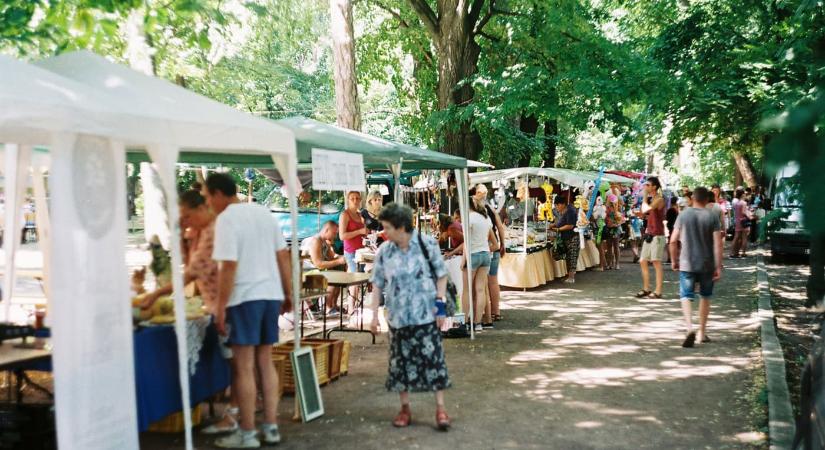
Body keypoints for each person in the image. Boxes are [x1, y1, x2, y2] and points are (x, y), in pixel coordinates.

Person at [140, 190, 239, 434]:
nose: (185, 222)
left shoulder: (213, 233)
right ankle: (238, 411)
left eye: (186, 216)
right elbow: (190, 266)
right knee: (237, 363)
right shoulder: (208, 231)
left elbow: (189, 275)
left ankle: (235, 415)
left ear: (199, 208)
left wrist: (154, 295)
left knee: (238, 365)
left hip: (227, 305)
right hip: (225, 303)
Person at [205, 173, 293, 448]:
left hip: (244, 297)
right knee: (264, 362)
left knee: (243, 367)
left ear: (219, 194)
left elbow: (227, 266)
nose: (208, 203)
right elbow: (283, 255)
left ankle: (247, 432)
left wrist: (219, 307)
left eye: (208, 197)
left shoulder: (227, 219)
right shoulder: (264, 213)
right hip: (269, 295)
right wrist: (288, 292)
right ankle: (271, 426)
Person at [368, 203, 451, 430]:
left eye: (387, 227)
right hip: (398, 318)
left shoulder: (426, 244)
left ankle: (440, 409)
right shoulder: (385, 251)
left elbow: (441, 276)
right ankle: (405, 409)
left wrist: (440, 306)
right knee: (400, 365)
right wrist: (373, 315)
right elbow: (377, 284)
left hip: (426, 316)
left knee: (433, 362)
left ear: (401, 226)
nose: (384, 232)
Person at [668, 187, 723, 348]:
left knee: (686, 296)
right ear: (707, 199)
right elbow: (718, 243)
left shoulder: (683, 215)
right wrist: (718, 265)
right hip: (707, 263)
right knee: (705, 296)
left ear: (692, 198)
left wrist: (673, 260)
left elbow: (673, 240)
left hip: (687, 263)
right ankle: (702, 333)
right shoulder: (712, 216)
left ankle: (689, 328)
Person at [459, 197, 495, 332]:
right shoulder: (485, 218)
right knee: (480, 290)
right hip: (485, 254)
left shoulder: (469, 218)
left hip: (472, 254)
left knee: (467, 290)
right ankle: (478, 323)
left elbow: (467, 242)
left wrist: (464, 260)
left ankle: (465, 321)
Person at [473, 184, 507, 326]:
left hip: (482, 248)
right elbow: (499, 226)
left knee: (482, 285)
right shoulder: (491, 209)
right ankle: (496, 312)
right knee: (493, 281)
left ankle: (483, 316)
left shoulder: (474, 209)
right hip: (494, 247)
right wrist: (503, 244)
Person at [302, 220, 347, 316]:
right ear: (327, 230)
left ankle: (333, 305)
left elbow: (331, 257)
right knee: (333, 277)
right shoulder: (315, 241)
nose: (335, 236)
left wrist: (333, 247)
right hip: (307, 278)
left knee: (338, 271)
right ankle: (328, 307)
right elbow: (318, 264)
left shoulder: (323, 241)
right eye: (334, 233)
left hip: (316, 273)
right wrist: (338, 261)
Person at [636, 176, 666, 298]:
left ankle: (658, 290)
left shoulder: (659, 199)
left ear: (654, 187)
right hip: (650, 234)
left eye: (648, 185)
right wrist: (643, 216)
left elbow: (646, 209)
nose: (645, 187)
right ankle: (646, 288)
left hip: (657, 235)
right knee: (643, 260)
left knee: (656, 262)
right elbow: (647, 214)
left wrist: (644, 197)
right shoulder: (653, 199)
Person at [550, 196, 580, 283]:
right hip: (565, 237)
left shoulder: (570, 211)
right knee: (567, 257)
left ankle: (571, 277)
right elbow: (559, 221)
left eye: (558, 205)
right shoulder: (561, 211)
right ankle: (568, 276)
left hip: (573, 237)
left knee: (572, 257)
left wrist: (558, 229)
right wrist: (553, 225)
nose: (556, 207)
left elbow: (570, 225)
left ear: (563, 204)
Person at [339, 191, 367, 272]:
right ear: (348, 200)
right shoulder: (344, 215)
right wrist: (360, 231)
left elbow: (363, 232)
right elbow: (342, 236)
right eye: (352, 199)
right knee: (355, 278)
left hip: (361, 251)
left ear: (360, 200)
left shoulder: (359, 214)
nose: (355, 201)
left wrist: (366, 233)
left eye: (357, 198)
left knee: (362, 278)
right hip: (351, 252)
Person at [730, 189, 753, 258]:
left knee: (736, 237)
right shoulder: (744, 203)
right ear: (742, 194)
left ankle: (733, 253)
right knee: (744, 237)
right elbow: (743, 212)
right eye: (745, 193)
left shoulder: (737, 203)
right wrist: (750, 216)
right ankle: (743, 252)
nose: (746, 195)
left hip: (737, 221)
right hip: (744, 221)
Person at [604, 194, 623, 270]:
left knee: (616, 246)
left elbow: (622, 219)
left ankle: (617, 263)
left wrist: (616, 224)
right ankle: (610, 263)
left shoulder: (619, 208)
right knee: (608, 246)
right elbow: (605, 218)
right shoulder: (606, 208)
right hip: (608, 228)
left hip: (616, 229)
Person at [665, 196, 680, 264]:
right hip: (674, 228)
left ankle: (670, 257)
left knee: (670, 243)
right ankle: (673, 257)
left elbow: (667, 219)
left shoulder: (670, 210)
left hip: (671, 228)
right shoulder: (676, 210)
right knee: (674, 243)